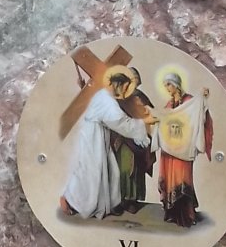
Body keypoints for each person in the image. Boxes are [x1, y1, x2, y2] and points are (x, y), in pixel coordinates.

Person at [60, 73, 155, 221]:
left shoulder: (105, 95)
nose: (125, 91)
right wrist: (142, 126)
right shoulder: (107, 100)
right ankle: (68, 199)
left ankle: (104, 205)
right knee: (90, 172)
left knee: (111, 172)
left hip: (99, 134)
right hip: (93, 136)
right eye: (125, 87)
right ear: (118, 85)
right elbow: (121, 123)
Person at [155, 71, 212, 228]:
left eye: (168, 84)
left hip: (183, 150)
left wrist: (203, 100)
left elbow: (199, 116)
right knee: (169, 179)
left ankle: (185, 214)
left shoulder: (189, 101)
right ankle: (171, 213)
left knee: (182, 179)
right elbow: (163, 122)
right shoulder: (169, 105)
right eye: (165, 85)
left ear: (176, 85)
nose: (167, 88)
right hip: (168, 151)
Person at [110, 66, 156, 213]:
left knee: (135, 169)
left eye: (136, 80)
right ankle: (121, 199)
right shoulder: (118, 98)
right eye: (131, 80)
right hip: (121, 139)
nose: (133, 83)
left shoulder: (140, 97)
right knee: (122, 168)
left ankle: (132, 199)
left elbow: (149, 116)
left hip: (137, 140)